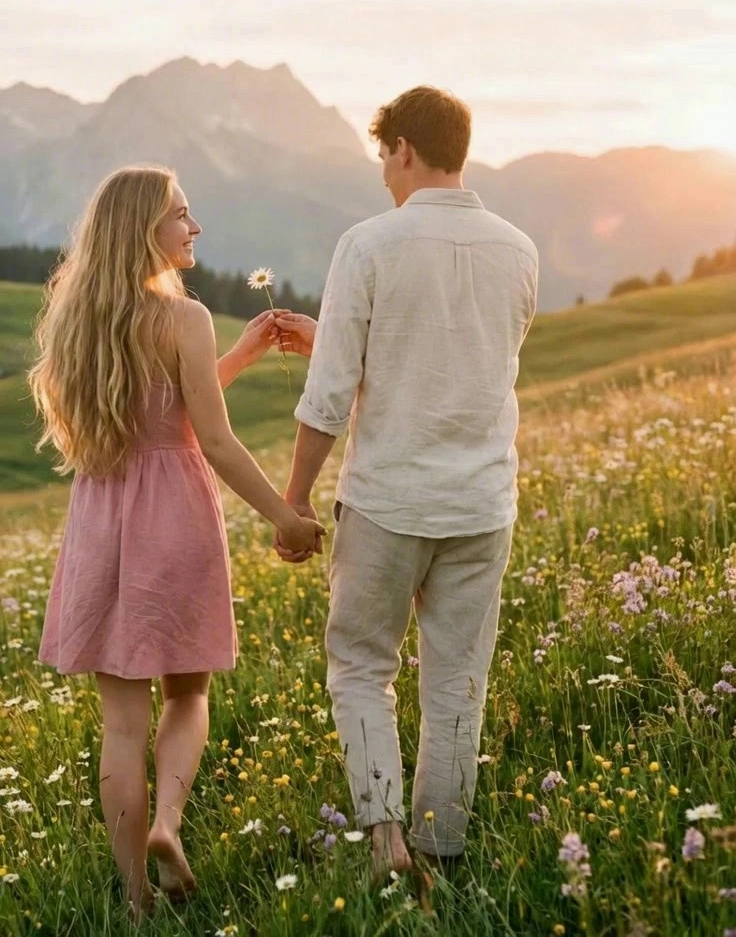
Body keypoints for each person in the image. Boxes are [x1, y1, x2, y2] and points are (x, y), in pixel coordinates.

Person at [29, 164, 325, 920]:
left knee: (120, 724)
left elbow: (158, 410)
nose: (194, 229)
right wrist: (283, 516)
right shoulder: (183, 317)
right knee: (188, 693)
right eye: (182, 216)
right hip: (175, 518)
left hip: (101, 519)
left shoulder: (76, 317)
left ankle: (134, 903)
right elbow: (212, 440)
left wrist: (244, 355)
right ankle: (169, 823)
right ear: (145, 229)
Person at [273, 85, 539, 880]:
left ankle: (387, 843)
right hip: (481, 504)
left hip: (389, 500)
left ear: (407, 151)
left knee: (361, 666)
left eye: (385, 156)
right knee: (459, 678)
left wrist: (292, 500)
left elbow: (328, 396)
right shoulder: (520, 251)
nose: (384, 172)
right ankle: (440, 850)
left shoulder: (368, 245)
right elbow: (455, 358)